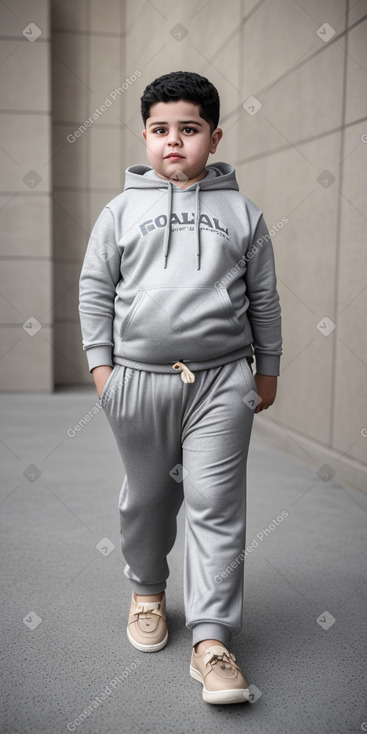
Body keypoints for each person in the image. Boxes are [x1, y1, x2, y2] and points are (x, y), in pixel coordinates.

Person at [78, 70, 282, 705]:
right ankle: (146, 590)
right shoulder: (120, 211)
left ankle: (212, 639)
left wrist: (266, 368)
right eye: (160, 130)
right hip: (137, 382)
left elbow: (265, 299)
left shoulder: (243, 214)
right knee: (147, 501)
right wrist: (103, 371)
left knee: (217, 504)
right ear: (144, 135)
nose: (173, 141)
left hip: (223, 381)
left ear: (213, 137)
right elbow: (94, 290)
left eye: (188, 129)